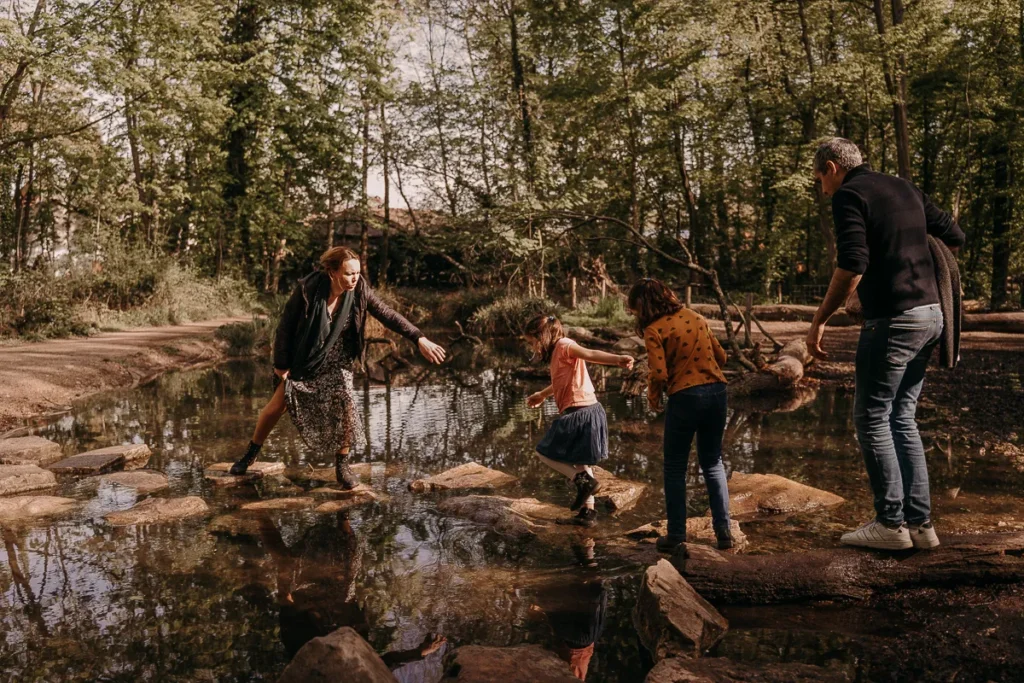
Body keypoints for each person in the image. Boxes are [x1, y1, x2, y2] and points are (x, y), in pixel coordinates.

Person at [807, 137, 965, 551]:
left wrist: (820, 319)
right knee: (903, 419)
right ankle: (922, 526)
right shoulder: (903, 187)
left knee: (872, 419)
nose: (821, 186)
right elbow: (954, 234)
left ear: (831, 167)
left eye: (819, 176)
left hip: (893, 321)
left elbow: (852, 263)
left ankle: (891, 524)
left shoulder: (849, 195)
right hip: (932, 315)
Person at [230, 246, 446, 487]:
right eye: (348, 274)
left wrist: (419, 338)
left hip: (339, 357)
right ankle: (250, 454)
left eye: (357, 273)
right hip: (306, 358)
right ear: (332, 272)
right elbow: (285, 328)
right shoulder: (308, 289)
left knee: (347, 404)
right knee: (276, 408)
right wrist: (280, 365)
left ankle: (342, 465)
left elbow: (387, 314)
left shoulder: (359, 288)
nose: (354, 278)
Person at [627, 278, 732, 554]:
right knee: (713, 463)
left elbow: (659, 374)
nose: (637, 315)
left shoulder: (654, 329)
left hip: (685, 397)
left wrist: (652, 398)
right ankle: (724, 532)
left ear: (643, 306)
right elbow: (721, 357)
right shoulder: (696, 317)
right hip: (717, 393)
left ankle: (676, 534)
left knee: (675, 467)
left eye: (636, 309)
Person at [523, 314, 634, 527]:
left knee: (543, 452)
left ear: (542, 336)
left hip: (580, 412)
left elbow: (590, 353)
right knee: (581, 461)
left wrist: (617, 359)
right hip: (588, 410)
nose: (532, 347)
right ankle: (588, 514)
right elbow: (561, 382)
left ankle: (583, 482)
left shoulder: (564, 345)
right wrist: (542, 395)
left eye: (531, 342)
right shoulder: (558, 352)